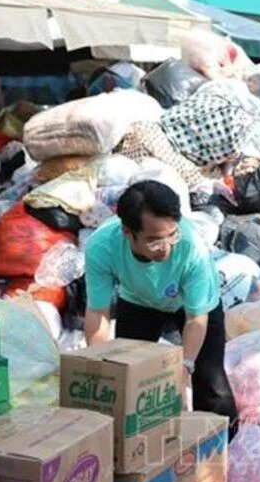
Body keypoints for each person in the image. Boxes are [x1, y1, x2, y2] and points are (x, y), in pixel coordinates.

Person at [83, 180, 238, 428]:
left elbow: (196, 318)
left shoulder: (190, 247)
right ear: (127, 232)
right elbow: (97, 312)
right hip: (138, 301)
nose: (165, 248)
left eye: (171, 235)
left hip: (190, 307)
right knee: (130, 377)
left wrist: (185, 367)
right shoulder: (102, 247)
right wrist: (101, 366)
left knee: (211, 384)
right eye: (154, 241)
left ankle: (222, 450)